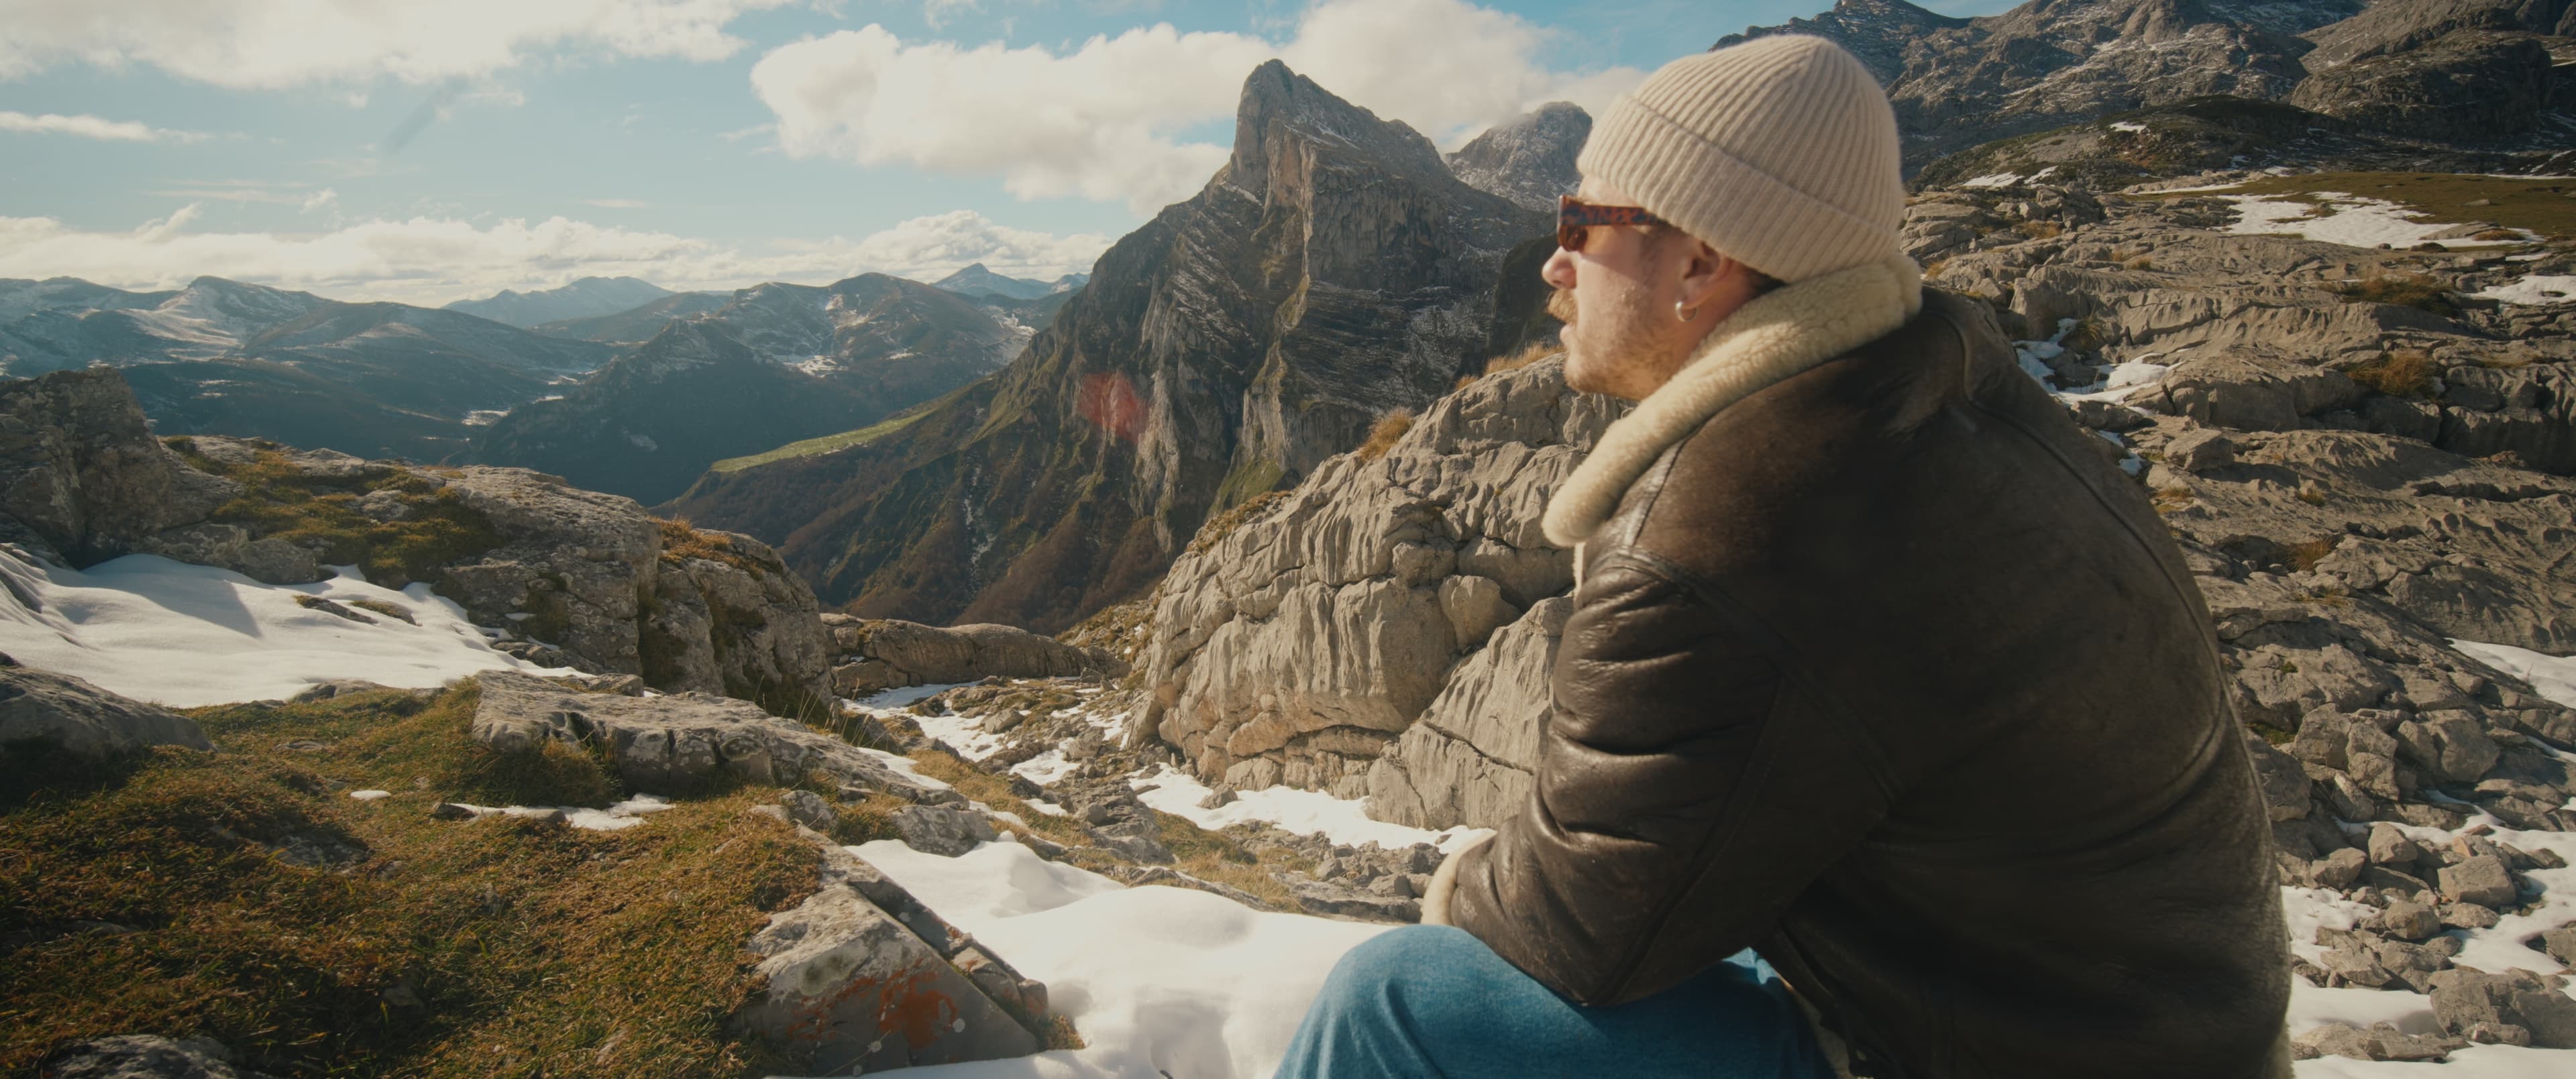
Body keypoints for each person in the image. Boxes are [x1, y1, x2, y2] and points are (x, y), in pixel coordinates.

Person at [1273, 34, 2292, 1079]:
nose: (1553, 259)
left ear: (1704, 263)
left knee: (1393, 1004)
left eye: (1584, 221)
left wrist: (1460, 890)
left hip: (1991, 1054)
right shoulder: (1938, 381)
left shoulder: (1730, 530)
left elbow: (1575, 926)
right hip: (2141, 1032)